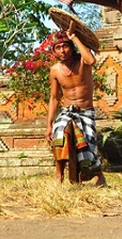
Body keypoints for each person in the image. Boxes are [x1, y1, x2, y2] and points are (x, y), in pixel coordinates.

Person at [46, 25, 106, 186]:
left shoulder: (82, 62)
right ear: (54, 52)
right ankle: (59, 174)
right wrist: (49, 124)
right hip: (67, 112)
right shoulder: (55, 70)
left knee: (88, 145)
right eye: (58, 48)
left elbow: (92, 60)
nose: (62, 50)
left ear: (71, 48)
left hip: (85, 111)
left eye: (65, 46)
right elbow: (54, 98)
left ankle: (97, 176)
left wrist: (73, 37)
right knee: (59, 136)